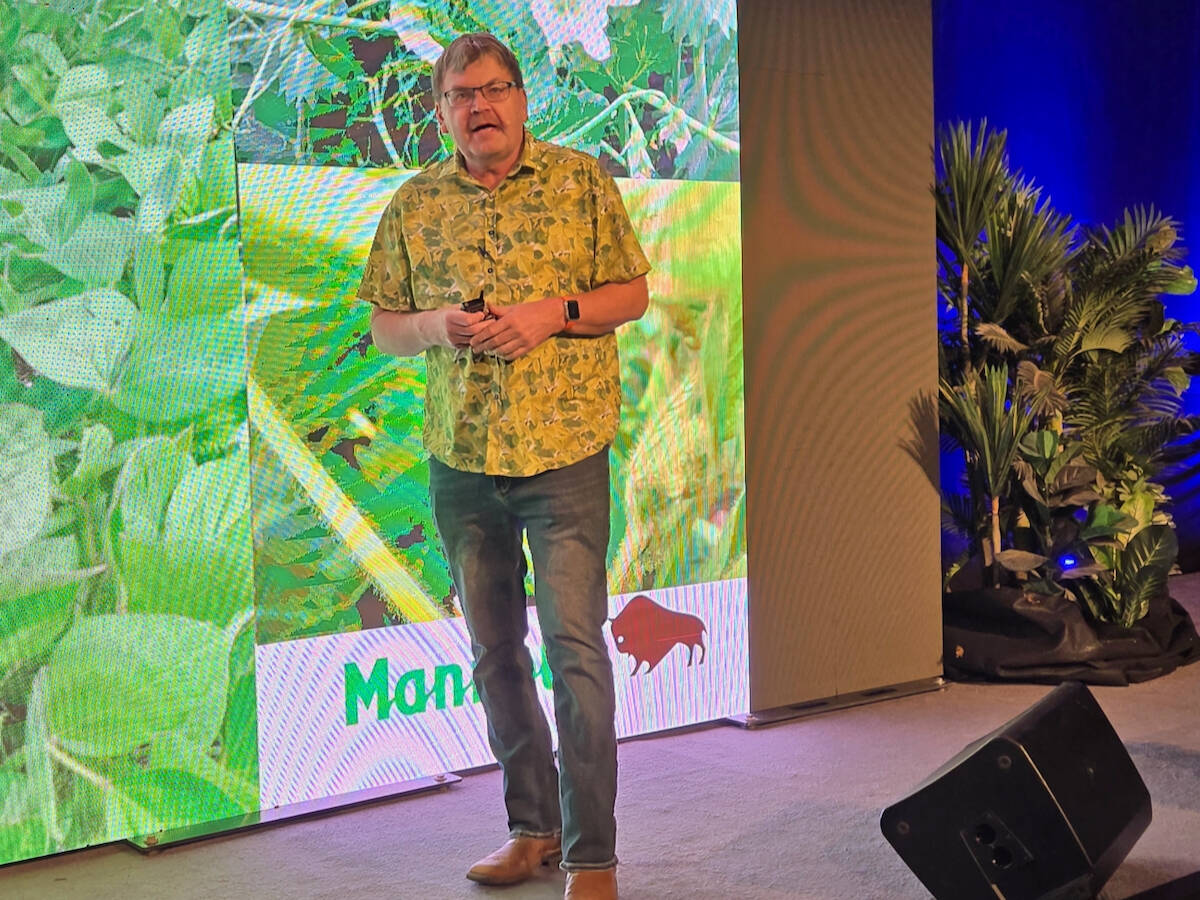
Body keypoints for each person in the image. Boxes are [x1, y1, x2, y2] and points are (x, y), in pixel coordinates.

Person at [356, 31, 650, 900]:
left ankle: (592, 860)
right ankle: (533, 831)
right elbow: (385, 326)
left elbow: (630, 293)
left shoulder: (579, 182)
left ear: (521, 99)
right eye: (460, 96)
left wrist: (552, 313)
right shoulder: (414, 203)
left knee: (574, 650)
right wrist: (436, 326)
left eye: (492, 90)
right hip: (464, 459)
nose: (478, 107)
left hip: (562, 457)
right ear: (442, 112)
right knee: (494, 652)